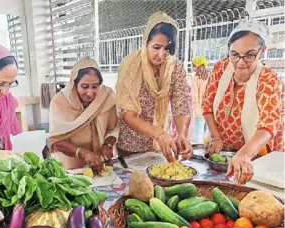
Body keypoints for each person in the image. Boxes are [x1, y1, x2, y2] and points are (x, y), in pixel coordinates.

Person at [202, 20, 284, 184]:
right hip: (224, 150)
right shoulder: (221, 68)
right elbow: (207, 104)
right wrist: (216, 137)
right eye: (234, 54)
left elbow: (269, 123)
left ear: (261, 52)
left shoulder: (268, 79)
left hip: (256, 153)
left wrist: (244, 154)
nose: (240, 62)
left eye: (249, 55)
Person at [116, 11, 193, 162]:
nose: (161, 55)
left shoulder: (175, 67)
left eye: (167, 49)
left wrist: (182, 134)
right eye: (156, 47)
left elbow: (180, 105)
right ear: (146, 42)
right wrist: (159, 134)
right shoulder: (131, 66)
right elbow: (127, 114)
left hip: (162, 144)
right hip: (131, 144)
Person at [48, 58, 119, 172]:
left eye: (95, 86)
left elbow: (113, 129)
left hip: (99, 162)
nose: (90, 93)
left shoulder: (107, 97)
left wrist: (108, 144)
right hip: (69, 165)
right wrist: (82, 153)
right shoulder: (60, 102)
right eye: (84, 87)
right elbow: (56, 140)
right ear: (74, 85)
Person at [191, 56, 209, 143]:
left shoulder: (195, 78)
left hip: (200, 109)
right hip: (210, 110)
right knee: (207, 133)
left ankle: (197, 154)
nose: (192, 68)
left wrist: (196, 110)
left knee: (198, 132)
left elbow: (194, 96)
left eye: (193, 65)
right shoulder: (210, 75)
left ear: (197, 66)